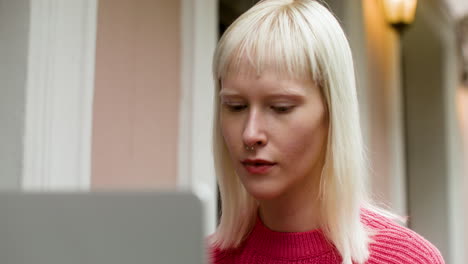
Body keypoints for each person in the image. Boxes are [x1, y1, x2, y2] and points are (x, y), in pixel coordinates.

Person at [208, 0, 445, 263]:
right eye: (235, 106)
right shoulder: (201, 257)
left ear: (333, 112)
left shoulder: (407, 259)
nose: (250, 134)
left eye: (281, 108)